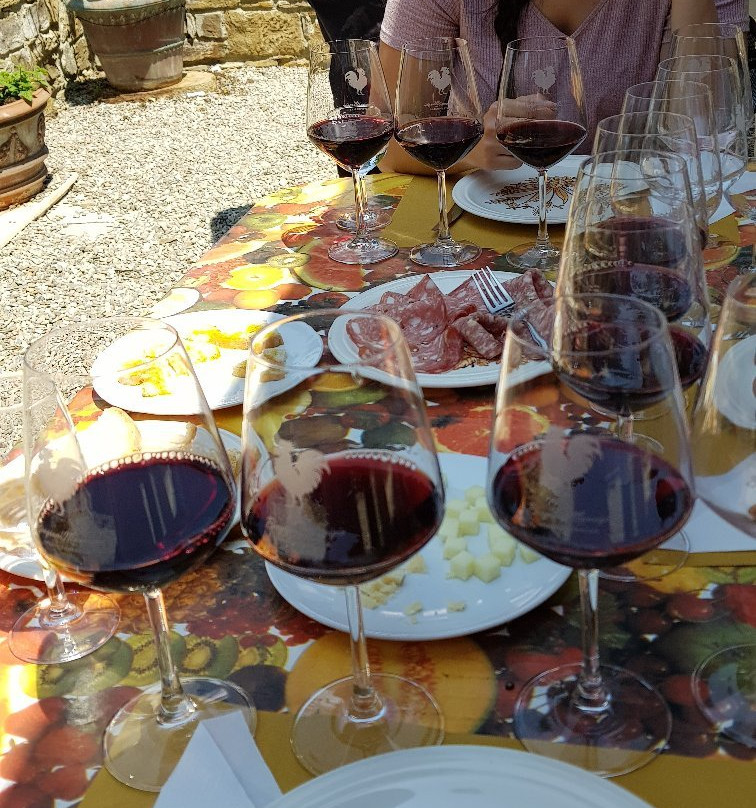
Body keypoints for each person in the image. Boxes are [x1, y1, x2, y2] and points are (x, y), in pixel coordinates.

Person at [378, 0, 749, 175]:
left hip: (630, 222)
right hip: (475, 227)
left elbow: (704, 142)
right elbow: (389, 149)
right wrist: (467, 153)